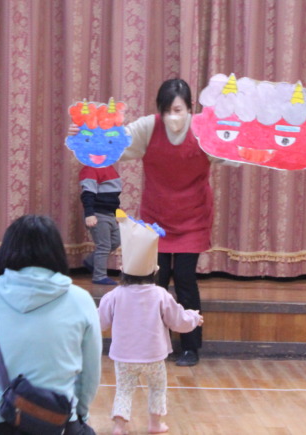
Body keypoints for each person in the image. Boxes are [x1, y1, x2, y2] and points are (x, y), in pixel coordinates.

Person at [69, 78, 219, 367]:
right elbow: (113, 143)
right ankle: (156, 345)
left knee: (185, 280)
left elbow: (232, 151)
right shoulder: (148, 127)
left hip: (194, 215)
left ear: (190, 108)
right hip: (157, 217)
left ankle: (191, 347)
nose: (172, 116)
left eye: (178, 110)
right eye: (167, 110)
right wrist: (84, 134)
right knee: (154, 283)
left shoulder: (204, 129)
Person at [0, 214, 102, 435]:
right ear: (57, 251)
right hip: (56, 419)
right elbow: (90, 373)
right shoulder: (80, 300)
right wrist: (79, 413)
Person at [99, 212, 203, 435]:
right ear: (155, 271)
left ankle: (119, 426)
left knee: (124, 389)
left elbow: (100, 322)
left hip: (124, 356)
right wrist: (194, 318)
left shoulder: (115, 295)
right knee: (157, 388)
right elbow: (178, 320)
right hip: (153, 356)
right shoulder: (160, 294)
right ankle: (155, 424)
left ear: (123, 271)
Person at [80, 162, 122, 285]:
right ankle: (99, 276)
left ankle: (91, 261)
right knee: (103, 245)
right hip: (98, 213)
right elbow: (87, 194)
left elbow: (114, 196)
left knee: (116, 241)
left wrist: (116, 213)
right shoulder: (91, 169)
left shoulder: (110, 169)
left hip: (110, 214)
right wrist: (89, 214)